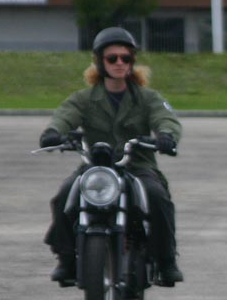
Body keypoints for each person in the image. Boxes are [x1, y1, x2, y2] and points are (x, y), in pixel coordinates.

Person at [40, 26, 183, 286]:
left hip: (137, 166)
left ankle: (166, 260)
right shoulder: (84, 98)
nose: (119, 63)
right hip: (95, 168)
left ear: (132, 62)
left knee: (157, 197)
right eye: (112, 58)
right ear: (100, 62)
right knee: (64, 196)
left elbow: (166, 118)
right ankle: (66, 258)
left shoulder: (147, 98)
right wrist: (53, 132)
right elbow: (64, 115)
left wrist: (166, 136)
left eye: (125, 58)